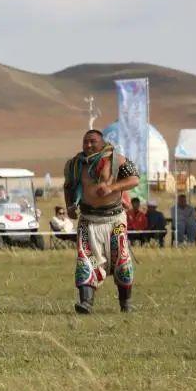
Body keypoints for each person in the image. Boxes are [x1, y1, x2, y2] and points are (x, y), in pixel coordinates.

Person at [63, 129, 139, 313]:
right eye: (85, 142)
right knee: (85, 261)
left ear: (102, 142)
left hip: (114, 220)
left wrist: (112, 187)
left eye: (92, 141)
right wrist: (70, 206)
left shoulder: (116, 160)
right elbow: (68, 187)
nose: (88, 145)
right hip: (88, 220)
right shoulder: (75, 165)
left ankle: (125, 304)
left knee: (122, 260)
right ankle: (86, 303)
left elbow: (134, 179)